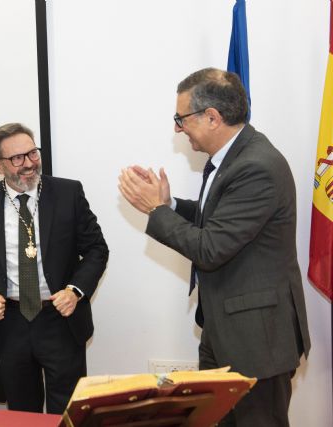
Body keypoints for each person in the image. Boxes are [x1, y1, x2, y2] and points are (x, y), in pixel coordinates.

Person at [118, 68, 310, 426]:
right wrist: (170, 205)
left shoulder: (257, 166)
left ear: (212, 117)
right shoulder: (234, 158)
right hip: (225, 328)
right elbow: (217, 221)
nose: (177, 128)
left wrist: (155, 211)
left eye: (181, 118)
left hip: (257, 339)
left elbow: (210, 248)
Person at [0, 123, 108, 414]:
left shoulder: (68, 193)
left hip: (60, 317)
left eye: (32, 153)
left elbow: (96, 249)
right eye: (17, 158)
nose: (28, 164)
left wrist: (75, 291)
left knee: (67, 411)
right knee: (22, 411)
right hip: (10, 322)